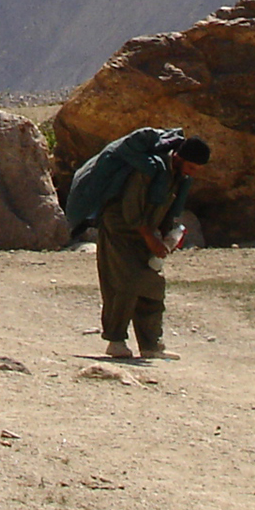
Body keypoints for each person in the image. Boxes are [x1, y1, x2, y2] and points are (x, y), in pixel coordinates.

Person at [94, 131, 210, 360]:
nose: (193, 173)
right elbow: (130, 209)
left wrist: (168, 236)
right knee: (126, 283)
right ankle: (116, 341)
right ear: (178, 157)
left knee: (152, 285)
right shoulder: (149, 170)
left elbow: (166, 209)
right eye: (192, 167)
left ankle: (151, 344)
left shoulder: (178, 177)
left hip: (146, 231)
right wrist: (150, 238)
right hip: (120, 230)